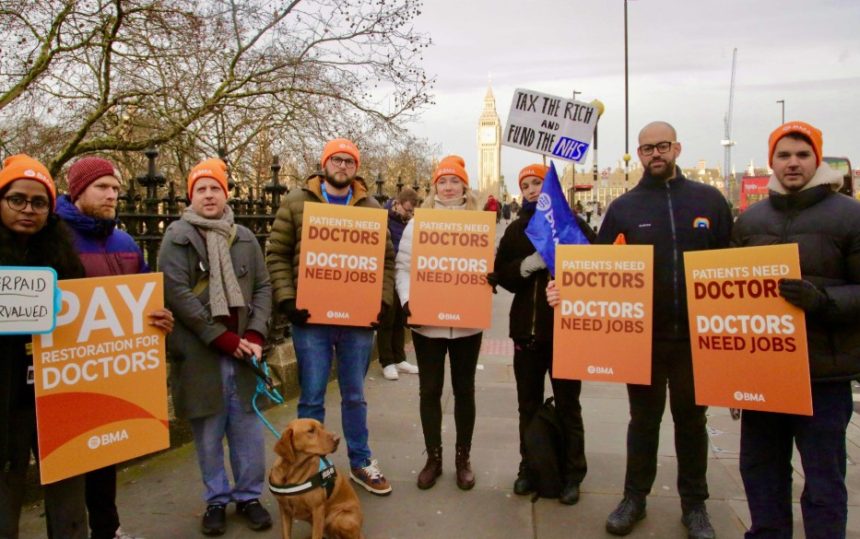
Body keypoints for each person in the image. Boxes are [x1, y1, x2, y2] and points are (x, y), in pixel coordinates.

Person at [595, 122, 732, 538]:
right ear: (639, 154)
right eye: (647, 148)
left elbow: (733, 263)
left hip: (695, 338)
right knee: (643, 422)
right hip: (645, 339)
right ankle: (634, 498)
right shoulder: (624, 208)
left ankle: (695, 505)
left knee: (692, 422)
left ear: (677, 148)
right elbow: (599, 269)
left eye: (663, 146)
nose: (656, 154)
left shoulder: (709, 200)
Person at [732, 121, 860, 539]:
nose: (793, 163)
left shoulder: (850, 216)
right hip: (765, 373)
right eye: (784, 155)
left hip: (822, 374)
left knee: (823, 480)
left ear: (817, 160)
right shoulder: (751, 220)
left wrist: (823, 300)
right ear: (771, 161)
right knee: (761, 472)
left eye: (803, 155)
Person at [266, 138, 395, 496]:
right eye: (336, 160)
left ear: (356, 168)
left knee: (355, 395)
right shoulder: (296, 201)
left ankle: (361, 461)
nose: (342, 166)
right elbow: (277, 254)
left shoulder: (371, 206)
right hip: (312, 320)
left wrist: (381, 302)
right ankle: (312, 467)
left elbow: (385, 260)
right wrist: (287, 301)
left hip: (357, 321)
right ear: (324, 165)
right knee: (311, 397)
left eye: (349, 161)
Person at [57, 156, 174, 539]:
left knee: (104, 457)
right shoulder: (53, 236)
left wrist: (159, 316)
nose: (112, 195)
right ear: (78, 190)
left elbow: (143, 297)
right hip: (66, 371)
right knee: (67, 463)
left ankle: (107, 529)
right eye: (102, 187)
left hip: (110, 372)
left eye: (115, 189)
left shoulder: (125, 241)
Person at [159, 158, 273, 536]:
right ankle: (216, 500)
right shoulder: (177, 237)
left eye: (215, 188)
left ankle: (249, 496)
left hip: (243, 352)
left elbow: (263, 287)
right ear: (190, 196)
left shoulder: (245, 237)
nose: (209, 195)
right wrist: (221, 338)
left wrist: (255, 334)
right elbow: (177, 295)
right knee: (208, 432)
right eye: (201, 189)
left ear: (226, 194)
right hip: (201, 353)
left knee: (247, 430)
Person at [493, 163, 594, 505]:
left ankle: (572, 473)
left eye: (538, 183)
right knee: (528, 405)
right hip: (527, 332)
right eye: (526, 185)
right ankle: (530, 467)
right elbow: (503, 274)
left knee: (568, 406)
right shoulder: (517, 229)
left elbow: (597, 269)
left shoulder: (572, 224)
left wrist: (566, 276)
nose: (533, 190)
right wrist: (529, 264)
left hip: (566, 333)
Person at [0, 155, 88, 539]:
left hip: (56, 395)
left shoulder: (64, 257)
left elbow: (91, 316)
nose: (28, 210)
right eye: (17, 199)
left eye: (39, 203)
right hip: (6, 401)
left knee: (69, 500)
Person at [395, 155, 489, 491]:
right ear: (435, 187)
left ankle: (463, 458)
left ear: (464, 185)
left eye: (454, 181)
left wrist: (488, 278)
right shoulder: (418, 223)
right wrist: (408, 300)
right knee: (430, 390)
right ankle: (433, 458)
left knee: (465, 390)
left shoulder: (479, 222)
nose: (448, 187)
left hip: (466, 323)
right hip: (428, 322)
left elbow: (488, 266)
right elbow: (403, 267)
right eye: (442, 181)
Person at [378, 187, 420, 381]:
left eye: (412, 211)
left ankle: (399, 358)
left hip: (403, 273)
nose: (409, 214)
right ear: (397, 203)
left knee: (399, 319)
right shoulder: (384, 218)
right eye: (407, 209)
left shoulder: (409, 222)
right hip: (387, 273)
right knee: (386, 318)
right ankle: (387, 362)